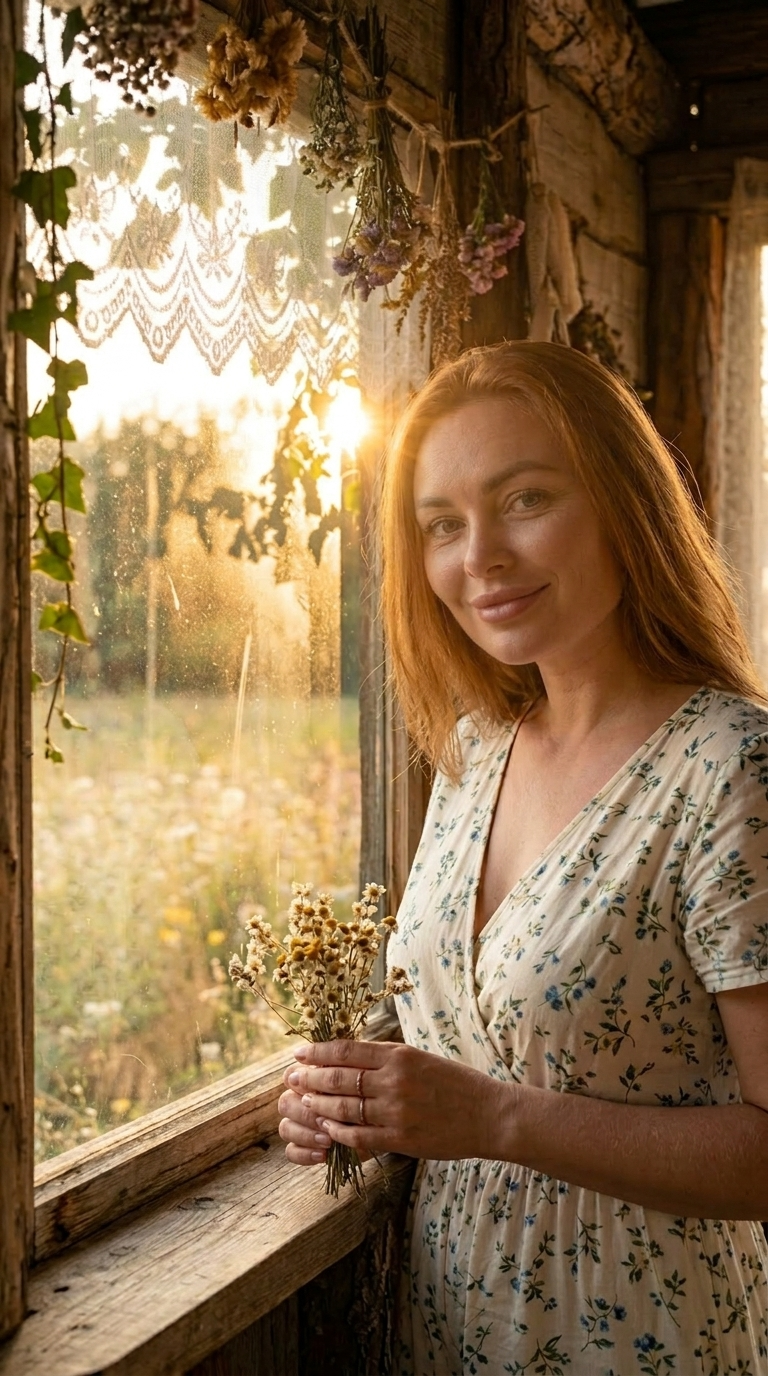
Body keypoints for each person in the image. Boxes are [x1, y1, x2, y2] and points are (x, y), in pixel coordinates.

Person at [278, 342, 768, 1374]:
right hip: (452, 1323)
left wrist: (495, 1118)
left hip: (644, 1333)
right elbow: (468, 1025)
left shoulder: (730, 767)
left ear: (625, 503)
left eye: (526, 499)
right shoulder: (473, 753)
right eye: (442, 525)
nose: (480, 556)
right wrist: (351, 1095)